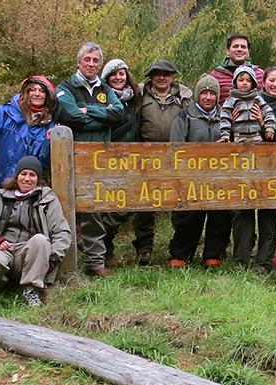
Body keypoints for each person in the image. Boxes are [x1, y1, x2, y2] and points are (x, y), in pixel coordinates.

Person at [55, 42, 132, 276]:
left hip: (99, 158)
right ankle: (65, 263)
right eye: (87, 59)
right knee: (66, 211)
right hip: (71, 158)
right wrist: (101, 113)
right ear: (79, 62)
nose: (91, 64)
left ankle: (95, 262)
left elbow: (119, 114)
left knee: (94, 212)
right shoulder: (66, 87)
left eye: (95, 60)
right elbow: (68, 114)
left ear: (100, 64)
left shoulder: (105, 90)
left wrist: (88, 111)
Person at [0, 156, 71, 306]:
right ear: (16, 176)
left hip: (28, 256)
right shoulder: (0, 197)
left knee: (41, 240)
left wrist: (52, 259)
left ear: (38, 179)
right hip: (3, 249)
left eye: (32, 175)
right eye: (23, 174)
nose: (27, 179)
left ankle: (31, 289)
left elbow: (62, 231)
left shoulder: (47, 199)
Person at [234, 66, 276, 269]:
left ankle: (265, 261)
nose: (275, 84)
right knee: (243, 213)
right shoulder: (248, 100)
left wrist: (263, 124)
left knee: (268, 216)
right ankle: (241, 259)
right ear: (263, 82)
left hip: (273, 167)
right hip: (245, 165)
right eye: (272, 80)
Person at [132, 60, 191, 265]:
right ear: (151, 77)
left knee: (180, 203)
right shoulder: (139, 94)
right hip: (146, 156)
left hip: (176, 157)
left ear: (172, 76)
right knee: (145, 206)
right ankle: (144, 249)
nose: (162, 77)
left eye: (166, 74)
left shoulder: (184, 96)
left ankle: (179, 251)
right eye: (157, 74)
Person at [169, 75, 232, 267]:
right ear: (198, 95)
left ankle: (213, 255)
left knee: (220, 217)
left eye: (212, 93)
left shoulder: (226, 115)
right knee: (189, 217)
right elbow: (176, 145)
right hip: (191, 176)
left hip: (220, 176)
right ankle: (181, 255)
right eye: (204, 93)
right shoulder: (185, 114)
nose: (207, 97)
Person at [0, 75, 56, 190]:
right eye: (32, 90)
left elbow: (43, 163)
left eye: (42, 91)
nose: (37, 94)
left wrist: (48, 142)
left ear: (47, 96)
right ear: (26, 92)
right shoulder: (3, 113)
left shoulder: (49, 124)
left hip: (29, 186)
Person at [99, 59, 140, 267]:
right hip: (107, 159)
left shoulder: (134, 99)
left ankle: (99, 243)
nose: (118, 77)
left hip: (131, 160)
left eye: (122, 73)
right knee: (108, 206)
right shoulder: (102, 97)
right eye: (113, 74)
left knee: (124, 206)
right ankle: (103, 250)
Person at [219, 65, 276, 143]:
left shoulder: (257, 98)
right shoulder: (231, 99)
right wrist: (225, 135)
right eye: (241, 80)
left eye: (248, 81)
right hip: (238, 138)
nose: (245, 83)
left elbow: (269, 112)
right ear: (235, 82)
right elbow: (225, 118)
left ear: (253, 83)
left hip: (257, 137)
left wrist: (269, 128)